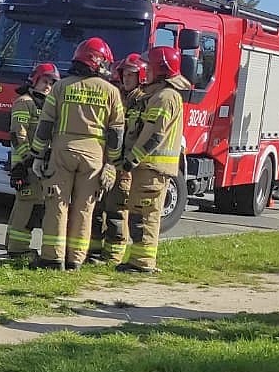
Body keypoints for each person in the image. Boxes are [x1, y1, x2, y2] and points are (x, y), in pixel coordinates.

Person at [29, 38, 124, 269]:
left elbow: (45, 125)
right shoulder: (111, 92)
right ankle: (75, 260)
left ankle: (52, 258)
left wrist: (38, 155)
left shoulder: (61, 87)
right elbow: (116, 132)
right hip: (94, 157)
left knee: (56, 204)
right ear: (98, 62)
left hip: (62, 152)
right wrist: (111, 163)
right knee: (85, 208)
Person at [117, 46, 192, 274]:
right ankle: (139, 260)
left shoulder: (164, 97)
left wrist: (132, 159)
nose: (145, 72)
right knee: (140, 213)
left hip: (152, 167)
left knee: (145, 215)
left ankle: (142, 263)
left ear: (161, 70)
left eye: (148, 68)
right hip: (149, 167)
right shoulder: (159, 95)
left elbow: (155, 134)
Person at [90, 53, 148, 263]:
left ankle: (113, 256)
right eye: (124, 74)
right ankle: (94, 250)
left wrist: (125, 163)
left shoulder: (143, 102)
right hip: (105, 162)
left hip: (124, 168)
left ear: (140, 76)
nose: (126, 78)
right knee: (97, 207)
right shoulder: (117, 97)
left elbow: (139, 136)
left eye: (131, 75)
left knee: (116, 210)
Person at [4, 62, 59, 261]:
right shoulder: (24, 102)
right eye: (45, 81)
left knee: (25, 204)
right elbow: (18, 133)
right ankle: (18, 250)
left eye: (52, 83)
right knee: (27, 206)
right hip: (26, 166)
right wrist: (27, 161)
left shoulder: (46, 105)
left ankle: (12, 244)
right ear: (35, 80)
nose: (47, 86)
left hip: (37, 165)